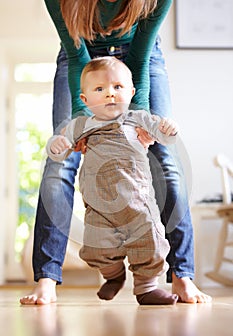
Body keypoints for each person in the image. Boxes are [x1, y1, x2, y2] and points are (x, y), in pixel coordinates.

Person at [20, 0, 211, 305]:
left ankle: (182, 275)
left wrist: (140, 120)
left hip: (140, 54)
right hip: (81, 56)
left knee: (166, 160)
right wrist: (81, 122)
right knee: (60, 162)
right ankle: (46, 279)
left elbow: (140, 55)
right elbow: (75, 53)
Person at [47, 56, 179, 305]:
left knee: (150, 242)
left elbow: (163, 135)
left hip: (138, 200)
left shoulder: (138, 118)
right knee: (97, 248)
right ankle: (113, 275)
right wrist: (57, 144)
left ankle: (146, 287)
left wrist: (168, 129)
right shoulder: (81, 126)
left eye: (117, 87)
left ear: (131, 92)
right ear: (84, 100)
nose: (110, 94)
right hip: (99, 205)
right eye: (100, 89)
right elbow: (60, 150)